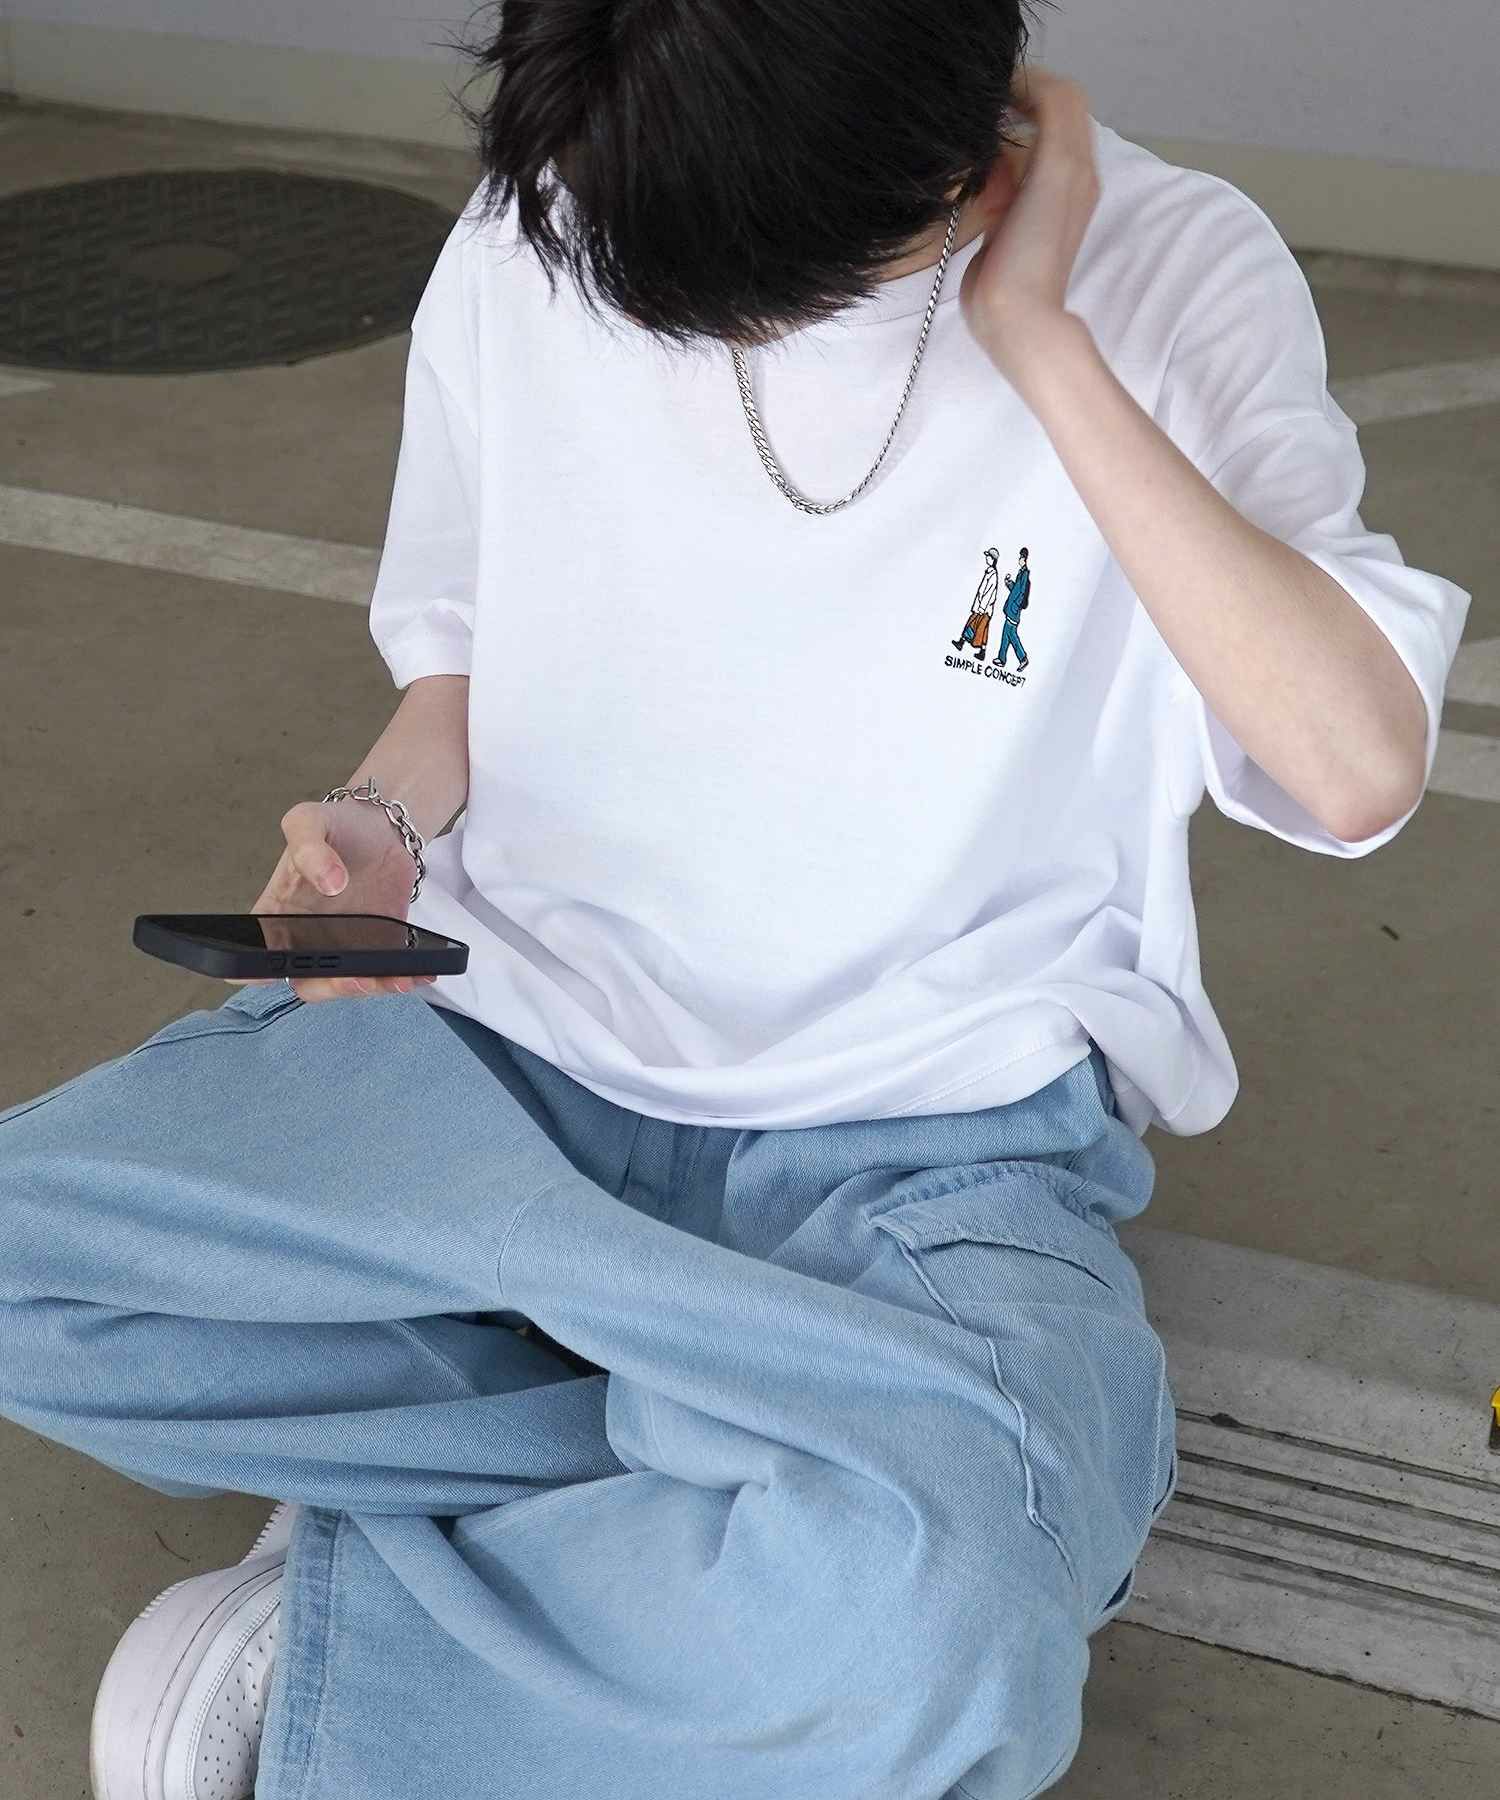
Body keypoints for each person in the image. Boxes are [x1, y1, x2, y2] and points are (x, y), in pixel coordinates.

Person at [0, 4, 1472, 1797]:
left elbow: (1352, 767)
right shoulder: (564, 211)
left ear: (957, 155)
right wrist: (380, 825)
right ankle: (722, 1474)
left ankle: (392, 1578)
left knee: (941, 1623)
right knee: (29, 1264)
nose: (712, 325)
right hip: (499, 1062)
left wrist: (1042, 341)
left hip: (911, 1145)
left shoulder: (1175, 271)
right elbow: (466, 660)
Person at [953, 547, 1002, 658]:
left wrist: (982, 607)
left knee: (975, 625)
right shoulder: (989, 572)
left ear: (993, 559)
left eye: (988, 557)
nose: (986, 558)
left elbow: (989, 592)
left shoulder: (993, 575)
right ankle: (980, 651)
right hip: (982, 607)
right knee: (982, 629)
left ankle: (963, 642)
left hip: (984, 608)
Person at [996, 546, 1032, 669]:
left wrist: (1015, 607)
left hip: (1014, 611)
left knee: (1011, 635)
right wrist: (1009, 582)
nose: (1019, 560)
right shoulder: (1021, 573)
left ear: (1024, 559)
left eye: (1020, 558)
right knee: (1006, 635)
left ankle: (1022, 658)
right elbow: (1016, 590)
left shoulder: (1025, 574)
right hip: (1011, 610)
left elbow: (1021, 593)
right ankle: (1002, 659)